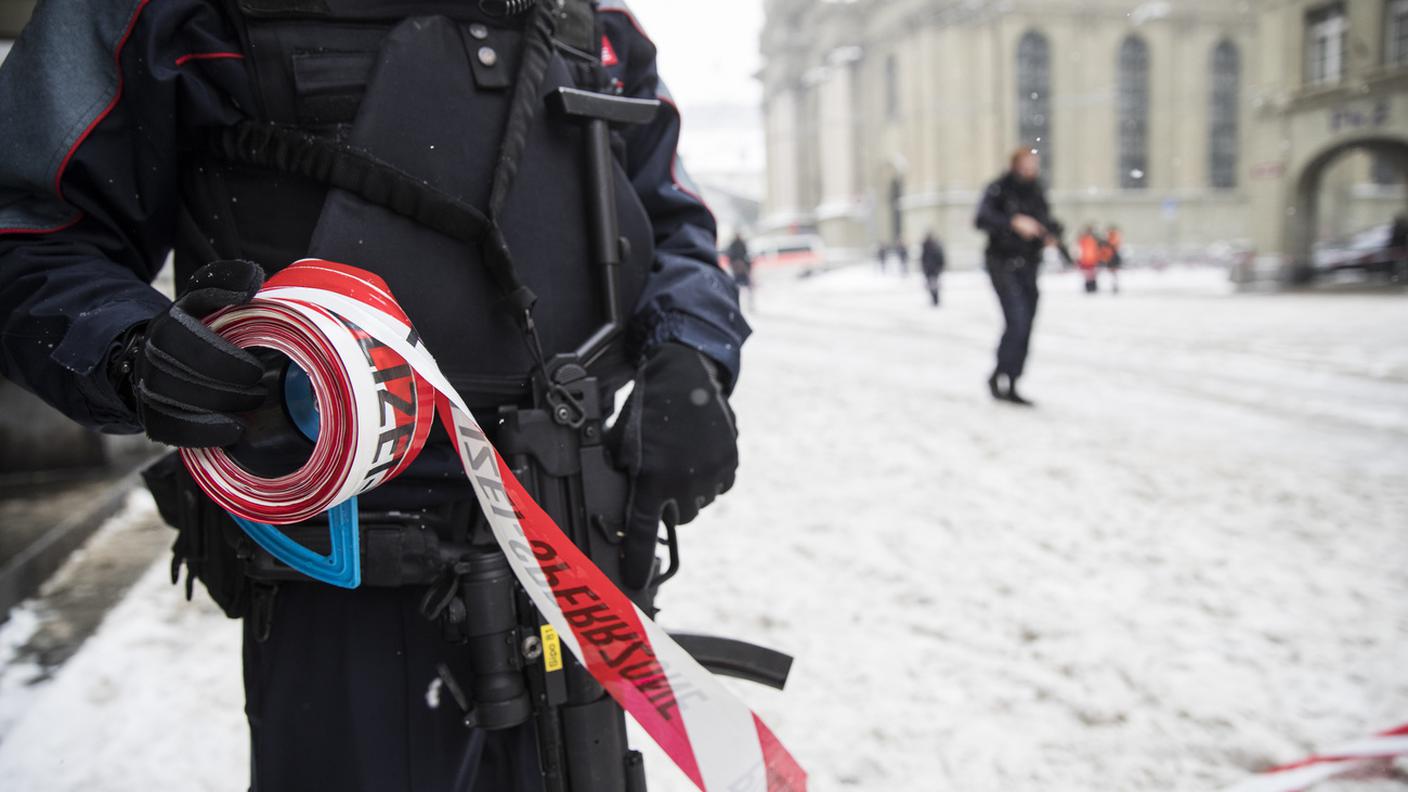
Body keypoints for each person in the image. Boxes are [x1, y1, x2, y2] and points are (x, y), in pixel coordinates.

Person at [0, 1, 747, 790]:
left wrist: (694, 356)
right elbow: (29, 232)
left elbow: (677, 229)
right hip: (343, 582)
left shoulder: (593, 22)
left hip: (572, 563)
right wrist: (128, 351)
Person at [974, 148, 1062, 406]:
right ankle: (1000, 376)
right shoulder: (999, 188)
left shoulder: (1036, 191)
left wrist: (1051, 233)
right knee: (1017, 320)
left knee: (1027, 323)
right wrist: (1013, 222)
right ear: (1015, 164)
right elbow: (982, 218)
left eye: (1034, 163)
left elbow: (1046, 219)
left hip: (1029, 264)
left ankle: (1010, 379)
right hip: (1002, 262)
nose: (1031, 168)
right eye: (1027, 163)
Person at [726, 231, 756, 311]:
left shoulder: (741, 244)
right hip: (737, 269)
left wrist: (746, 266)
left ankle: (750, 305)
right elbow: (730, 256)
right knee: (735, 288)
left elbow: (747, 255)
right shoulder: (733, 245)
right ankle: (736, 305)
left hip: (742, 268)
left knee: (748, 288)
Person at [920, 231, 945, 306]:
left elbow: (939, 258)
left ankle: (935, 300)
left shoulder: (934, 247)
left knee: (933, 286)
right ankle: (935, 300)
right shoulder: (926, 247)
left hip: (932, 269)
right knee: (932, 286)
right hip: (931, 270)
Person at [1077, 225, 1101, 294]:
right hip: (1086, 260)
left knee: (1091, 275)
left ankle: (1091, 287)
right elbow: (1079, 250)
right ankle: (1090, 287)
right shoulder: (1083, 239)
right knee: (1088, 275)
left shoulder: (1094, 239)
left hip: (1091, 260)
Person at [1103, 225, 1123, 294]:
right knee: (1113, 273)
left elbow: (1113, 245)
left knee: (1113, 272)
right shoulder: (1113, 236)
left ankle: (1114, 286)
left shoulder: (1113, 236)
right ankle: (1113, 285)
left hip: (1112, 256)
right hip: (1111, 256)